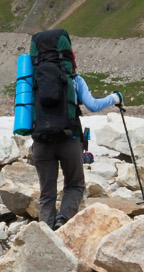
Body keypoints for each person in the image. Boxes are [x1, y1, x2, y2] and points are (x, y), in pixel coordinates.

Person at [27, 28, 122, 227]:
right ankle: (63, 221)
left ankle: (45, 233)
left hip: (41, 142)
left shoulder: (31, 82)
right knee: (74, 184)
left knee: (47, 193)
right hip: (69, 139)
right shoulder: (73, 80)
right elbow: (93, 105)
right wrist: (115, 98)